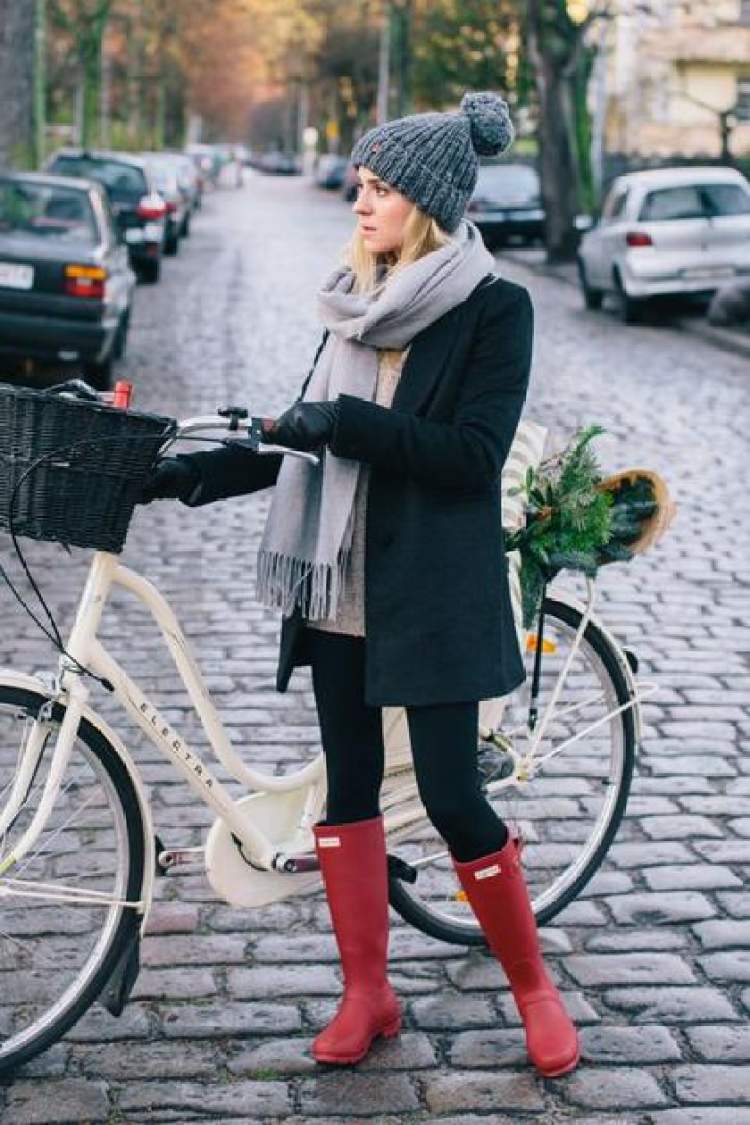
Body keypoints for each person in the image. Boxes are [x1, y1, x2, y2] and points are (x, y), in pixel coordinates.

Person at [139, 91, 580, 1078]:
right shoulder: (353, 299)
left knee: (456, 797)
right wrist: (196, 473)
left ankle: (533, 990)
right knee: (348, 790)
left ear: (422, 201)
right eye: (359, 185)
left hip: (430, 589)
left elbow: (470, 455)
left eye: (377, 188)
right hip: (338, 584)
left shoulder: (493, 310)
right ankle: (367, 994)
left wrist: (345, 425)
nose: (359, 203)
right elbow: (306, 439)